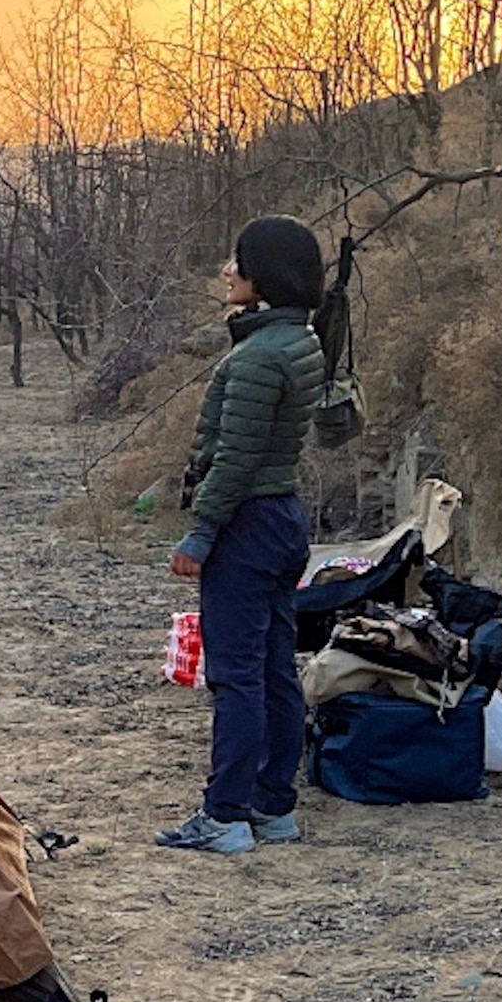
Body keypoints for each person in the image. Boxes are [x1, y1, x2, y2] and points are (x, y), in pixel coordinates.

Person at [155, 216, 329, 855]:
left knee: (236, 677)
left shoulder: (259, 356)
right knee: (276, 669)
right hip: (282, 519)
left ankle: (225, 815)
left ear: (265, 275)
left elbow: (235, 457)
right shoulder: (297, 340)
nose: (227, 270)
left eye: (238, 260)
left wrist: (201, 535)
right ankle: (272, 807)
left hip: (249, 525)